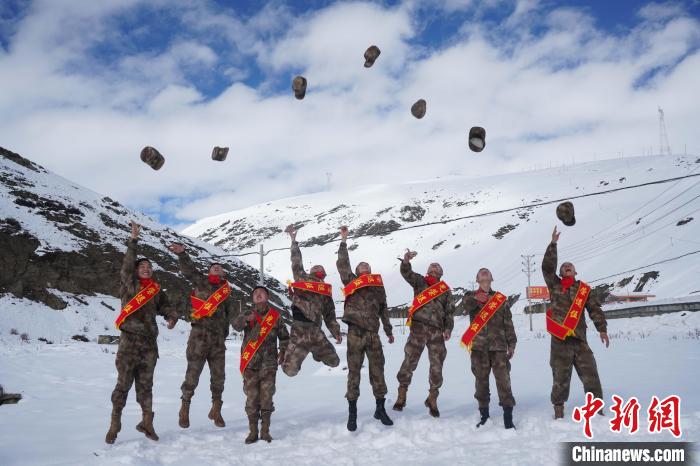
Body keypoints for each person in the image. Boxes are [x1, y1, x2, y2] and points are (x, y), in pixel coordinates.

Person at [106, 221, 178, 444]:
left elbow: (165, 306)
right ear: (136, 271)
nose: (147, 268)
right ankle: (115, 422)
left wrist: (171, 316)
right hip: (129, 342)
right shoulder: (129, 284)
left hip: (149, 344)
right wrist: (133, 241)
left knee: (146, 386)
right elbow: (127, 264)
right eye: (142, 266)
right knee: (124, 383)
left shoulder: (156, 290)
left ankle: (147, 422)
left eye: (149, 266)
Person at [168, 242, 238, 429]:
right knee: (193, 374)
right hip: (199, 336)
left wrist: (244, 321)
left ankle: (216, 409)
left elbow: (235, 317)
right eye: (213, 267)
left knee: (219, 376)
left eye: (219, 267)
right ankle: (185, 407)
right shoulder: (200, 282)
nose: (216, 267)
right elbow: (188, 270)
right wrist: (182, 254)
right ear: (209, 272)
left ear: (223, 274)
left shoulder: (228, 294)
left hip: (218, 340)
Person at [543, 226, 609, 420]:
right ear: (561, 272)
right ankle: (558, 409)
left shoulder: (584, 290)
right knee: (560, 377)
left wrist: (602, 330)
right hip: (559, 340)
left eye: (570, 265)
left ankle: (597, 408)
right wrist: (553, 244)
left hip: (580, 340)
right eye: (564, 266)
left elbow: (595, 310)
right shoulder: (554, 284)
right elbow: (547, 267)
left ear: (575, 271)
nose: (567, 266)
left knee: (591, 374)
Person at [336, 225, 394, 431]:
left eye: (366, 266)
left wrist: (388, 330)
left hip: (373, 334)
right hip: (355, 333)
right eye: (361, 265)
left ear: (370, 271)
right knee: (354, 372)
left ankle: (380, 409)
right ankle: (352, 414)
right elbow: (342, 264)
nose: (364, 267)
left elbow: (384, 309)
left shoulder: (377, 287)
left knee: (378, 371)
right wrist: (343, 240)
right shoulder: (351, 280)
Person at [393, 249, 454, 417]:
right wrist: (406, 261)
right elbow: (406, 273)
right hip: (418, 328)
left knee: (437, 365)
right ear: (428, 271)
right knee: (410, 361)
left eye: (437, 267)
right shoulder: (420, 282)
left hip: (437, 332)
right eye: (431, 267)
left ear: (441, 273)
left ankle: (433, 397)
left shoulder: (446, 291)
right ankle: (402, 394)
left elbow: (449, 313)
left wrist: (448, 329)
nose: (434, 268)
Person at [458, 268, 517, 429]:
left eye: (487, 272)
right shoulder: (470, 297)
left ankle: (508, 418)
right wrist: (476, 298)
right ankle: (484, 416)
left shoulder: (500, 299)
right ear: (477, 280)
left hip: (499, 348)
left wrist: (511, 344)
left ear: (492, 278)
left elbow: (508, 324)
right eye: (481, 273)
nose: (484, 273)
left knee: (504, 382)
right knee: (481, 383)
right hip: (479, 349)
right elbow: (466, 305)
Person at [281, 225, 343, 376]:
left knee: (334, 362)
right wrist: (293, 241)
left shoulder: (326, 290)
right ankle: (300, 350)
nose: (317, 268)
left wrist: (336, 332)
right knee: (289, 371)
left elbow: (330, 315)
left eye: (320, 267)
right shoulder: (302, 278)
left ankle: (316, 352)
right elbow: (296, 262)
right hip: (299, 329)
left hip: (316, 331)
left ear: (324, 274)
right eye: (314, 267)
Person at [233, 286, 289, 443]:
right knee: (251, 398)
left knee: (266, 397)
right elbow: (236, 327)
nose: (258, 294)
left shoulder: (275, 317)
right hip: (250, 363)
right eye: (255, 293)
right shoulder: (247, 313)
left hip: (269, 364)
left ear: (267, 296)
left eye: (261, 293)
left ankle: (265, 431)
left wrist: (283, 351)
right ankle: (252, 431)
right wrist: (244, 318)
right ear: (252, 298)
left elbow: (285, 337)